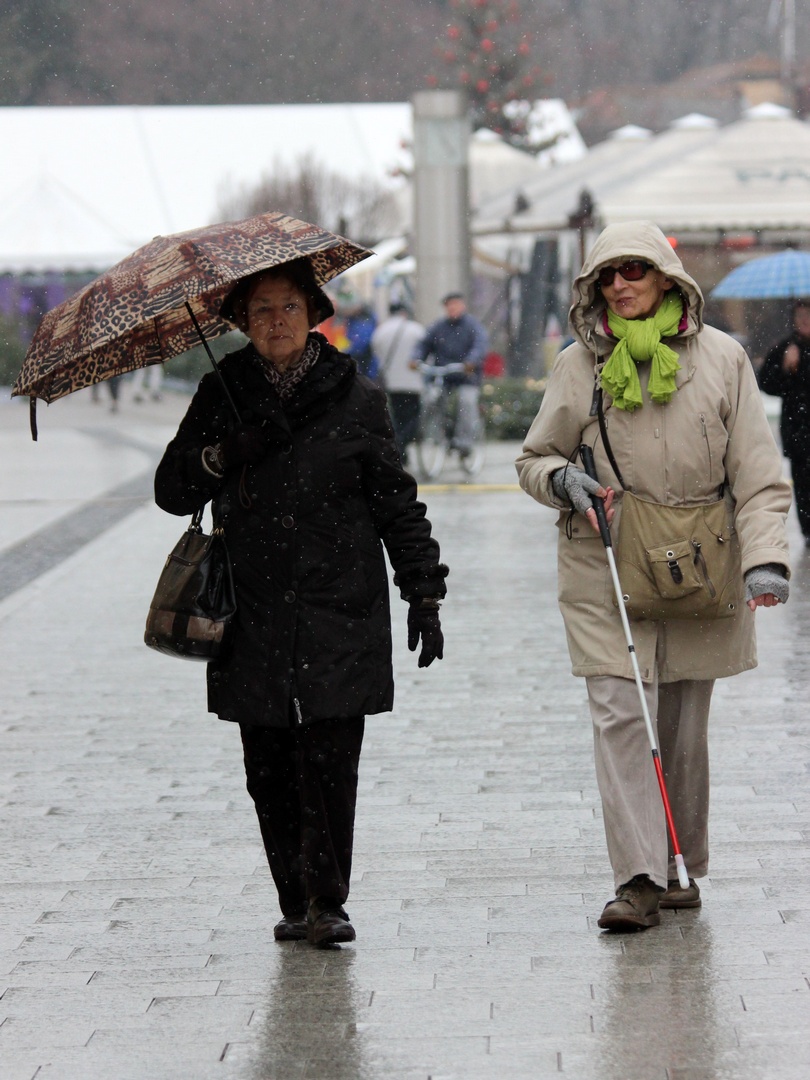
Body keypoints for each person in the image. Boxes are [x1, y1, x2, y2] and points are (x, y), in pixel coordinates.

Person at [154, 257, 448, 947]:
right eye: (260, 311)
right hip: (249, 608)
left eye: (287, 307)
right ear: (242, 322)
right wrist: (226, 453)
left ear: (314, 312)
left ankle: (328, 900)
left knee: (330, 756)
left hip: (337, 602)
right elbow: (172, 489)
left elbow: (395, 504)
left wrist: (424, 592)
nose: (275, 322)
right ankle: (293, 896)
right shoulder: (221, 393)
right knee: (269, 764)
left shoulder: (357, 397)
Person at [516, 221, 791, 933]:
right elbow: (534, 458)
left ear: (667, 277)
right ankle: (636, 879)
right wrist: (563, 480)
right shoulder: (578, 366)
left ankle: (676, 864)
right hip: (604, 562)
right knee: (621, 714)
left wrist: (766, 559)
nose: (621, 284)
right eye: (608, 274)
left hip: (699, 564)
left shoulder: (724, 359)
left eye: (635, 270)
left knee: (682, 729)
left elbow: (759, 478)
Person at [757, 299, 810, 545]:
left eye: (808, 316)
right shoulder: (784, 348)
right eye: (800, 316)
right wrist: (785, 368)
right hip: (798, 431)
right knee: (802, 484)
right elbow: (766, 384)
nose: (804, 321)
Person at [415, 292, 488, 457]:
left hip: (467, 377)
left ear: (463, 306)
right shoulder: (438, 327)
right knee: (431, 400)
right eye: (449, 305)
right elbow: (423, 344)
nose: (452, 308)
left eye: (455, 304)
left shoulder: (472, 326)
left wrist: (471, 362)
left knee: (466, 402)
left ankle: (464, 442)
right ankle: (436, 435)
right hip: (443, 375)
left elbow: (480, 345)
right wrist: (416, 358)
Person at [371, 302, 425, 458]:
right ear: (404, 312)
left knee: (397, 415)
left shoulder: (381, 331)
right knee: (412, 417)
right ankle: (401, 444)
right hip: (413, 381)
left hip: (391, 381)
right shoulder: (416, 329)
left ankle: (400, 447)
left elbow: (377, 353)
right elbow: (426, 352)